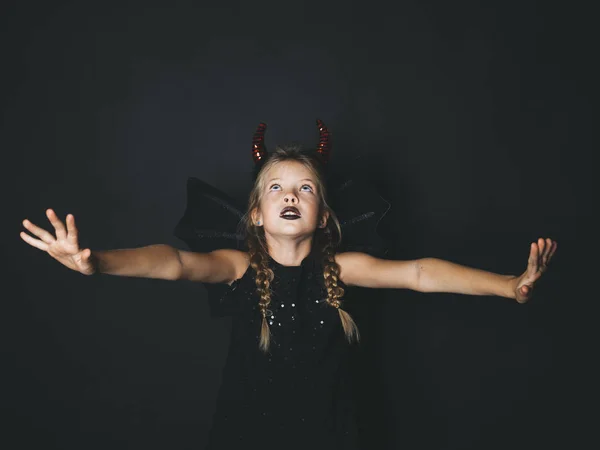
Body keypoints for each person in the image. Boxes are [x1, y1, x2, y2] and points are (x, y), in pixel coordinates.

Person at [20, 121, 557, 450]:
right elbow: (177, 263)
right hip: (247, 437)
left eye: (305, 187)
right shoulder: (239, 267)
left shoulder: (342, 269)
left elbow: (419, 273)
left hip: (332, 437)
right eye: (276, 187)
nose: (290, 194)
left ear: (324, 216)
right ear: (256, 213)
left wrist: (509, 285)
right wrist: (97, 263)